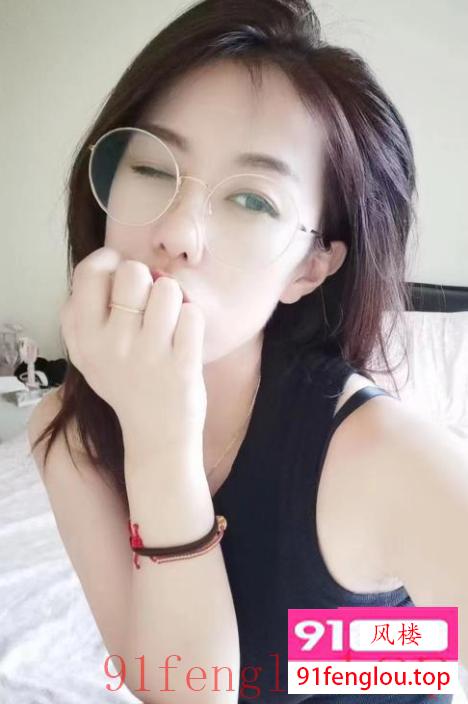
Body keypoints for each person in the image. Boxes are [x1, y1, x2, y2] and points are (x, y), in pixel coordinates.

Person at [27, 0, 467, 702]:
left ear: (310, 269)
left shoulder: (384, 456)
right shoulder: (70, 432)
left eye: (253, 201)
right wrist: (157, 438)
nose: (177, 233)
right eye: (152, 167)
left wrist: (385, 653)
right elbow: (175, 688)